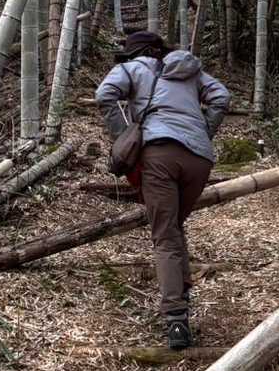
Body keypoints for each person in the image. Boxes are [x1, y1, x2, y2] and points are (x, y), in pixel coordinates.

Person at [95, 30, 230, 351]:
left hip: (159, 154)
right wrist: (203, 131)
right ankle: (181, 293)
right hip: (199, 159)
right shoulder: (190, 71)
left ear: (135, 53)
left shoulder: (131, 68)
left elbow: (104, 94)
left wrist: (124, 134)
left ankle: (176, 320)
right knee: (173, 227)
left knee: (165, 236)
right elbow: (221, 97)